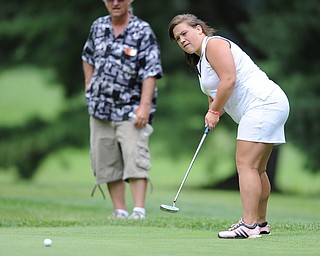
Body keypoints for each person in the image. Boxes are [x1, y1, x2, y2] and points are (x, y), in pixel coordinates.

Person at [168, 14, 289, 238]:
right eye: (177, 38)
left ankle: (249, 225)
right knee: (257, 168)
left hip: (263, 104)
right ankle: (260, 223)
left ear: (199, 29)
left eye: (184, 33)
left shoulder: (213, 44)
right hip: (270, 104)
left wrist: (214, 111)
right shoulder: (201, 60)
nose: (182, 40)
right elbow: (216, 88)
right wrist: (214, 107)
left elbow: (229, 79)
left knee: (246, 166)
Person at [82, 0, 163, 220]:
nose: (115, 3)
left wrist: (144, 107)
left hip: (131, 109)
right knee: (106, 159)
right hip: (100, 108)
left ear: (129, 1)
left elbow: (151, 70)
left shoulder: (142, 30)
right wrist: (89, 84)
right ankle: (119, 210)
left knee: (135, 156)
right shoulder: (98, 26)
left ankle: (139, 211)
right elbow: (87, 57)